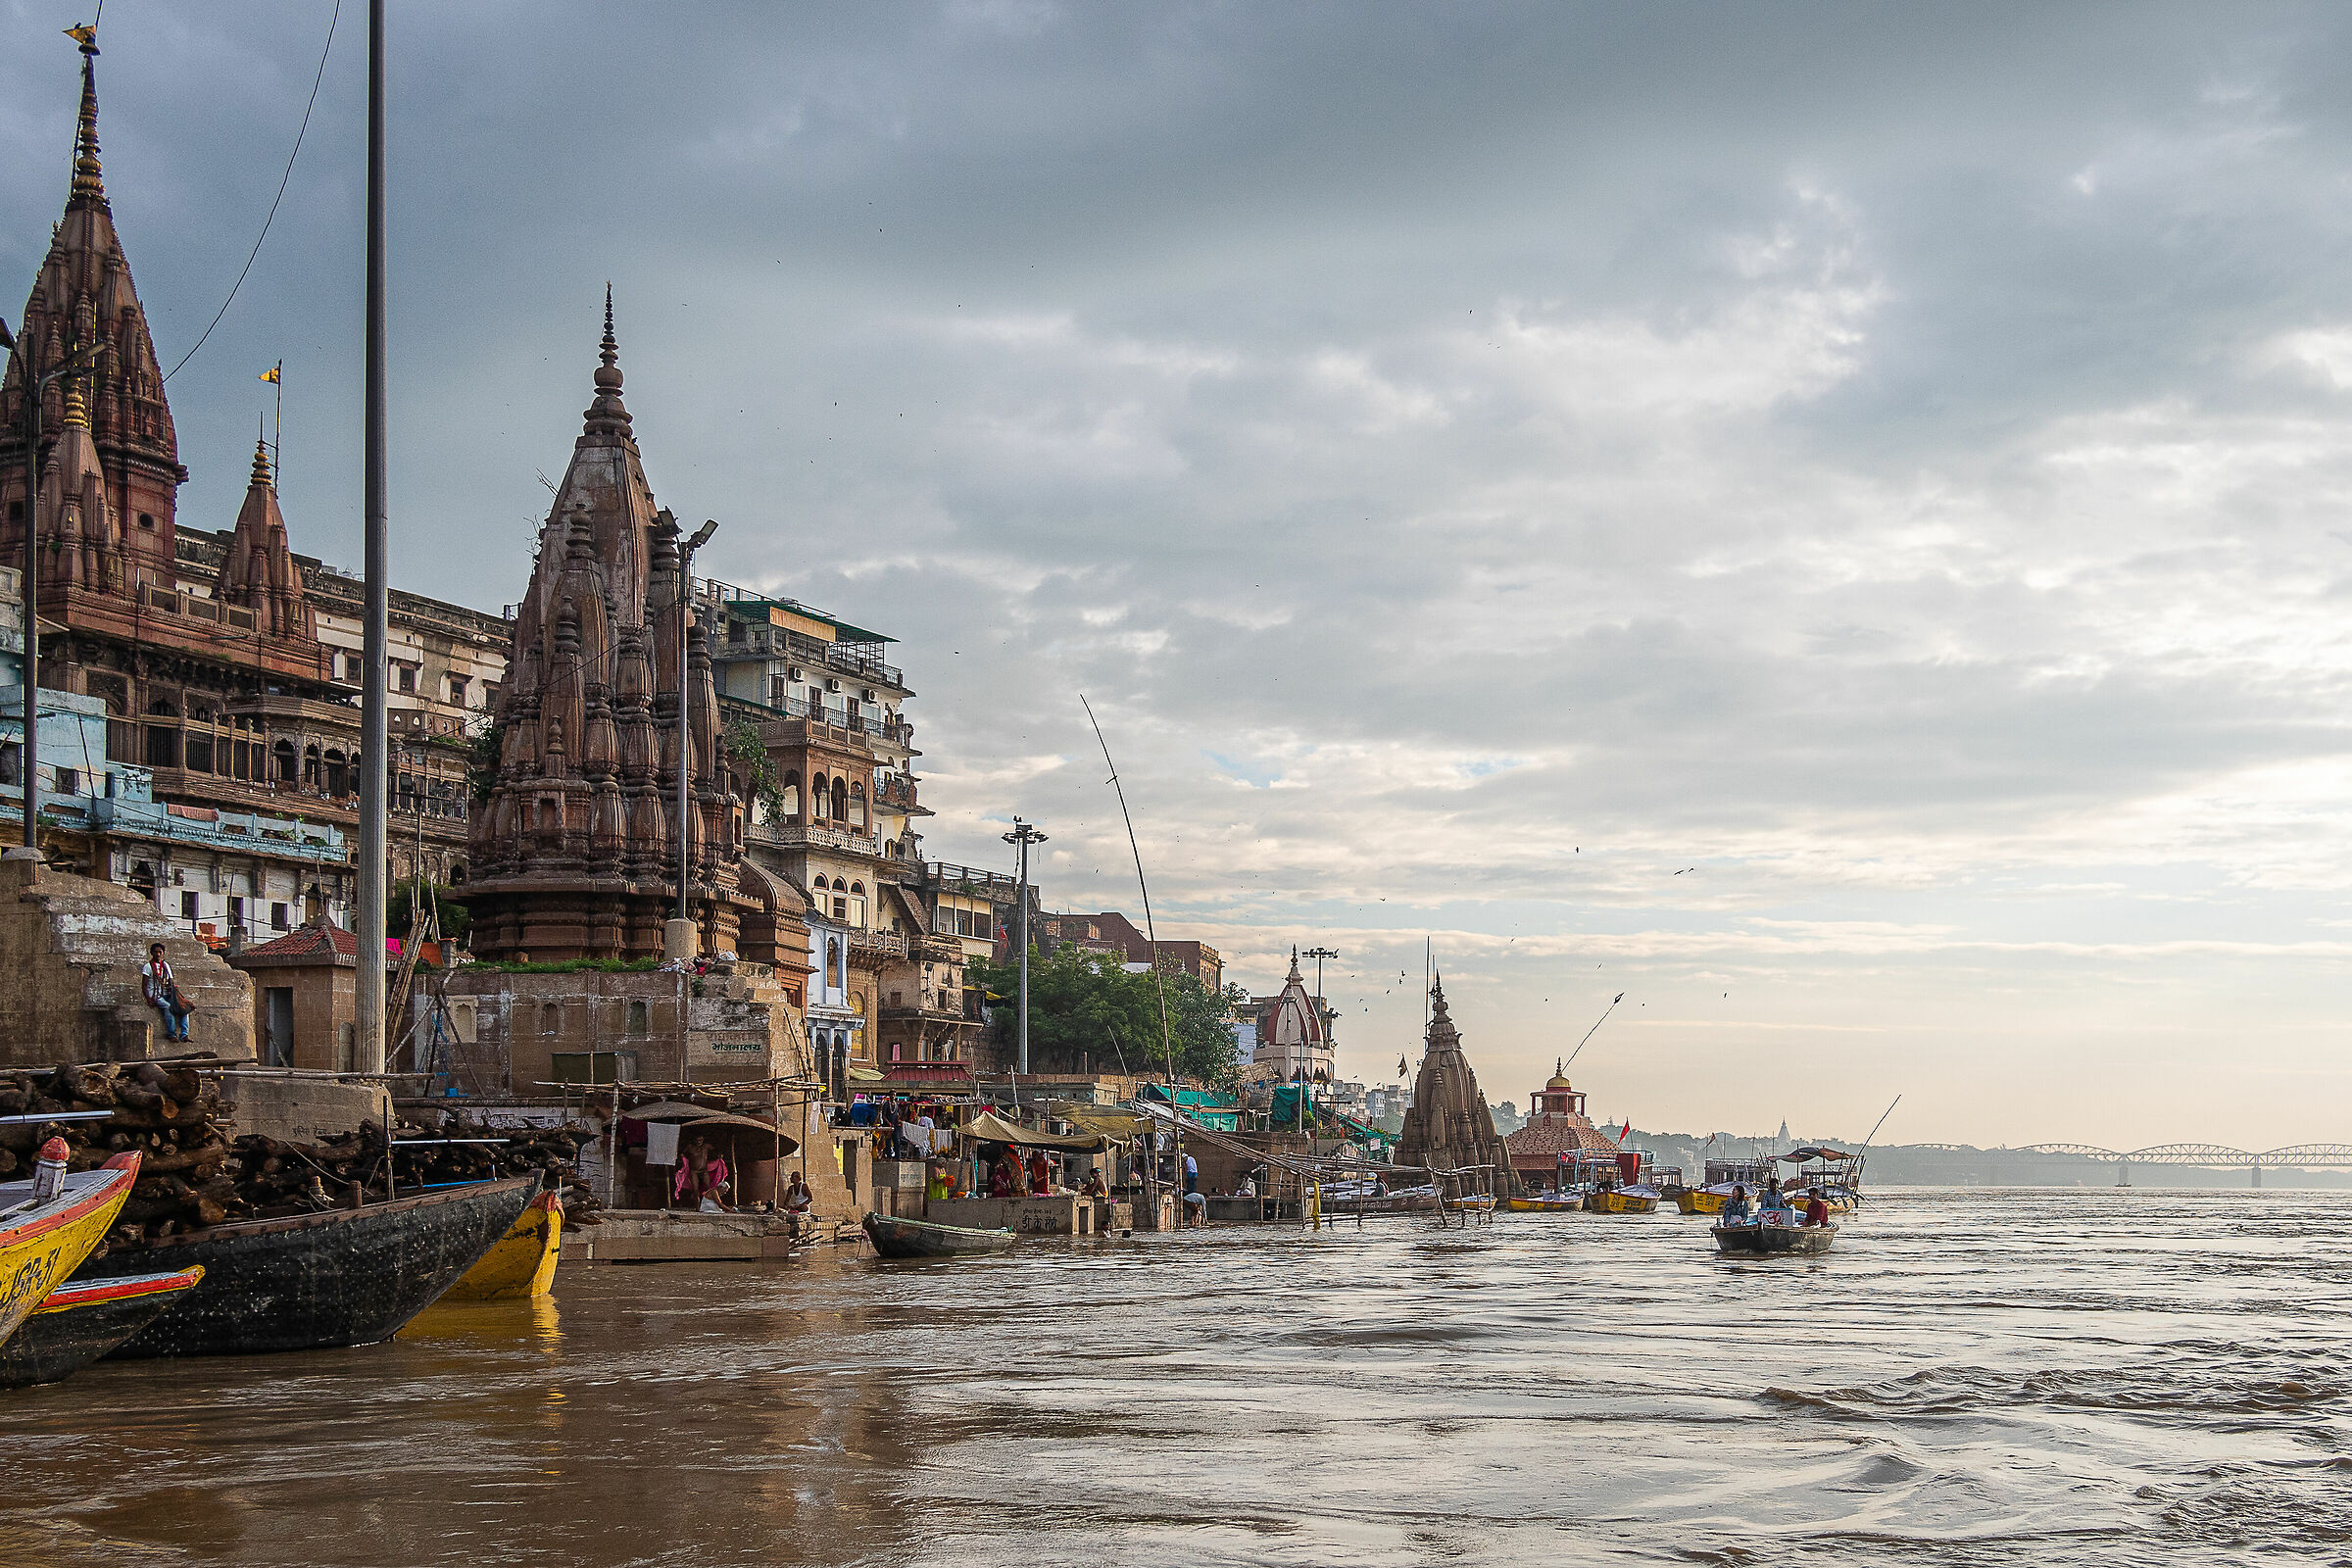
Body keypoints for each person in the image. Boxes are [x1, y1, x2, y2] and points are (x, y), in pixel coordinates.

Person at [142, 942, 192, 1043]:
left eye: (160, 952)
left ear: (163, 953)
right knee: (167, 1007)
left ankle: (184, 1034)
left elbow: (170, 981)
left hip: (167, 993)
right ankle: (171, 1034)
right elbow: (144, 985)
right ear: (151, 953)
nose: (158, 954)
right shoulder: (147, 967)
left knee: (184, 1008)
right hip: (155, 995)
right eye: (155, 952)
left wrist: (176, 997)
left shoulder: (166, 965)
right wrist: (148, 999)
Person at [781, 1170, 813, 1236]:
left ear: (797, 1178)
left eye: (792, 1177)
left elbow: (810, 1198)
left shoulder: (804, 1186)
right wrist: (787, 1205)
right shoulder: (791, 1188)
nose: (790, 1179)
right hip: (796, 1206)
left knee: (804, 1207)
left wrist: (800, 1205)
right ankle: (794, 1210)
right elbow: (786, 1200)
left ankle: (796, 1209)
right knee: (783, 1207)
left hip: (803, 1206)